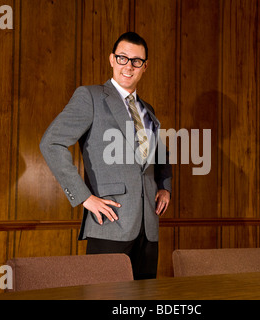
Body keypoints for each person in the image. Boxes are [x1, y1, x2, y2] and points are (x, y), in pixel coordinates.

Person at [40, 32, 172, 280]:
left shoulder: (148, 110)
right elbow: (51, 143)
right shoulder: (89, 97)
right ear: (112, 59)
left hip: (148, 228)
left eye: (136, 61)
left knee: (144, 300)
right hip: (110, 225)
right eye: (122, 58)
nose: (128, 66)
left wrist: (165, 186)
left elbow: (158, 154)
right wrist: (84, 197)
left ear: (145, 67)